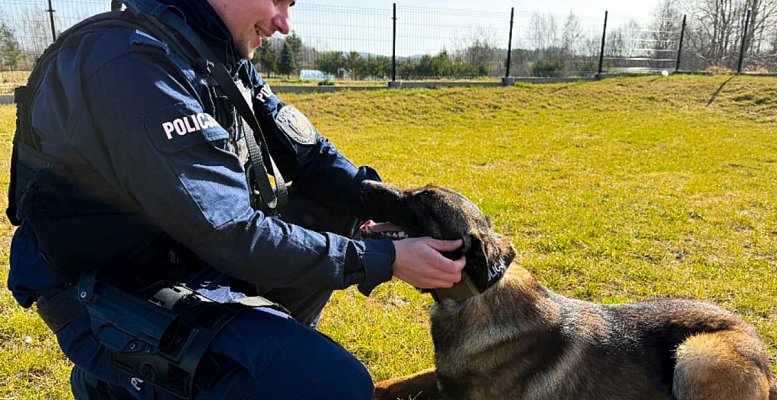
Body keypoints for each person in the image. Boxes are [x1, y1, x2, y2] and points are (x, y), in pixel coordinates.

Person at [5, 0, 465, 398]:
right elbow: (233, 233)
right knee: (335, 387)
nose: (285, 23)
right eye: (280, 2)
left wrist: (403, 211)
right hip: (111, 294)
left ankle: (263, 348)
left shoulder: (210, 49)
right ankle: (113, 385)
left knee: (334, 206)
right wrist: (385, 258)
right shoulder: (131, 66)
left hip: (180, 257)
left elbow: (314, 162)